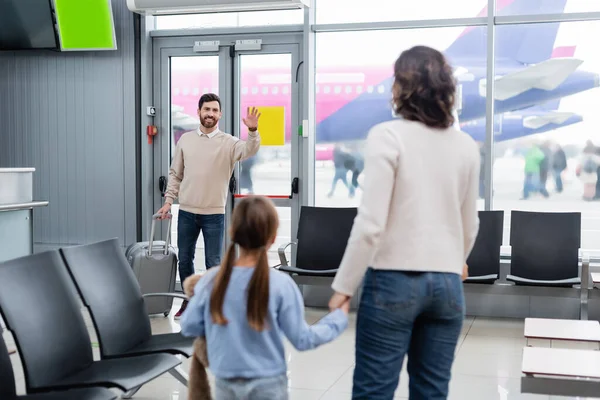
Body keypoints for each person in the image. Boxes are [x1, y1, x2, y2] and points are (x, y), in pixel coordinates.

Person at [328, 45, 480, 399]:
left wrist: (343, 287)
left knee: (374, 392)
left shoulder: (387, 135)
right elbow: (470, 224)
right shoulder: (466, 145)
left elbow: (370, 224)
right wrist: (455, 261)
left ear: (402, 88)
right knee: (432, 392)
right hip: (448, 288)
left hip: (394, 281)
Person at [180, 196, 349, 400]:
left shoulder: (211, 281)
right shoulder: (281, 284)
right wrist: (337, 318)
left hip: (226, 381)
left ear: (232, 232)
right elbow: (303, 339)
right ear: (273, 237)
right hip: (269, 384)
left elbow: (189, 326)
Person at [157, 93, 261, 319]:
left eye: (214, 110)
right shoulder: (185, 140)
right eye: (207, 110)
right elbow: (176, 174)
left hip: (214, 214)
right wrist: (168, 202)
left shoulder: (229, 142)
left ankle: (214, 304)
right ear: (199, 112)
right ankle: (189, 302)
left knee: (214, 263)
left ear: (220, 114)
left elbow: (250, 150)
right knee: (185, 259)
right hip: (186, 212)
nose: (210, 114)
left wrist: (253, 131)